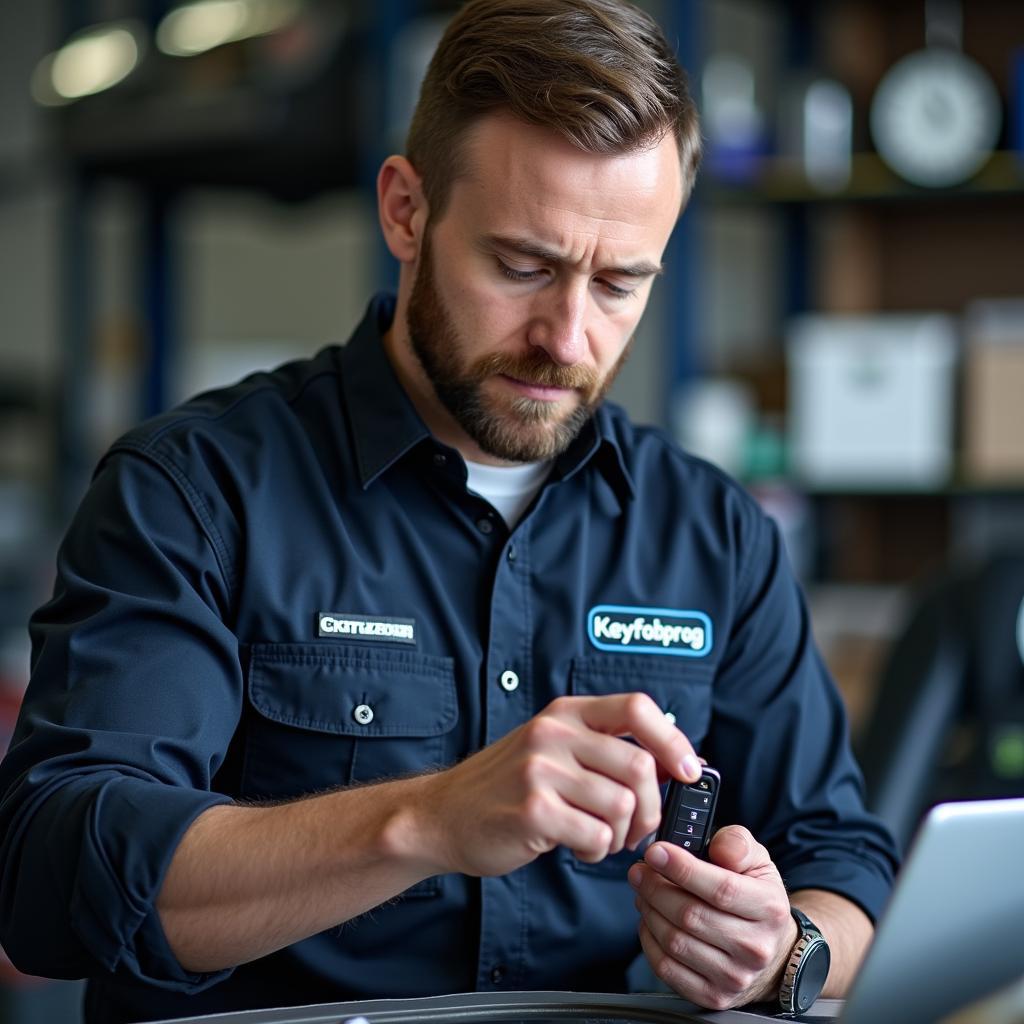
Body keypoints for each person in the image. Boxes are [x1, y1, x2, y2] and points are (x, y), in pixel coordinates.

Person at [0, 1, 898, 1022]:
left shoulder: (713, 532)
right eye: (523, 265)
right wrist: (424, 818)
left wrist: (786, 950)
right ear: (406, 212)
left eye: (619, 283)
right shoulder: (192, 491)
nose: (566, 336)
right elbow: (52, 878)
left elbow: (842, 856)